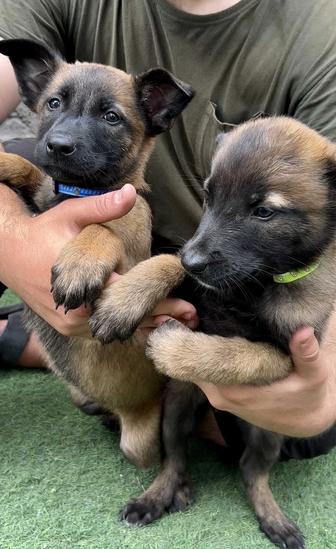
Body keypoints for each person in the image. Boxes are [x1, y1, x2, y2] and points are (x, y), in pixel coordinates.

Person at [0, 0, 335, 441]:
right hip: (154, 241)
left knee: (299, 428)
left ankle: (115, 381)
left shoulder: (319, 30)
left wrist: (325, 383)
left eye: (110, 116)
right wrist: (12, 242)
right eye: (55, 103)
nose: (63, 133)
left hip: (237, 272)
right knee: (18, 161)